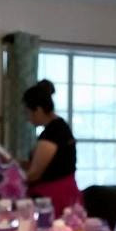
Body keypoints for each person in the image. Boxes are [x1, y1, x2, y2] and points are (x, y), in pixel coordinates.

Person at [22, 79, 81, 216]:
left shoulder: (52, 132)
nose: (27, 118)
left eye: (27, 112)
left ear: (38, 110)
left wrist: (12, 180)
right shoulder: (60, 126)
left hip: (55, 196)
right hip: (65, 192)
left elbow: (35, 174)